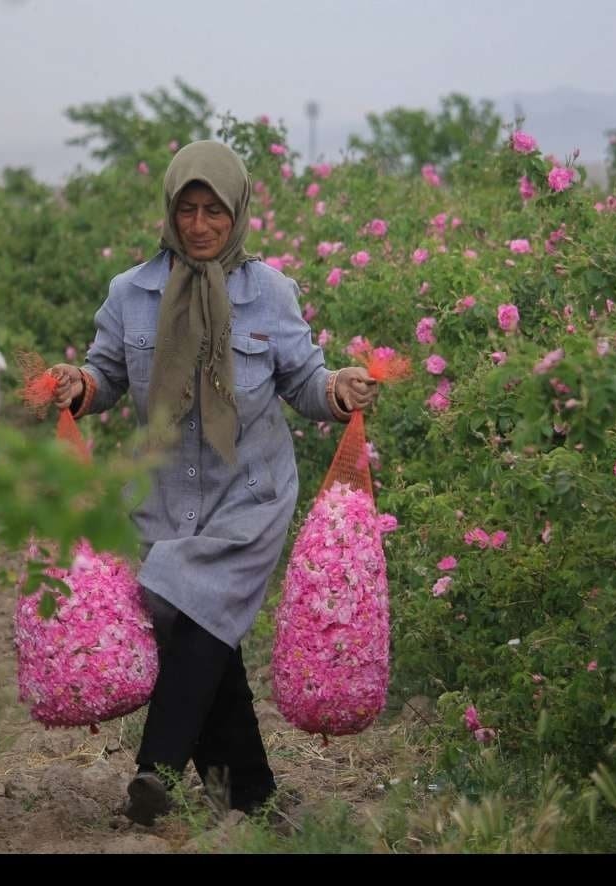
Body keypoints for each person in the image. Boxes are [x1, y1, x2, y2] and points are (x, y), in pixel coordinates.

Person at [48, 140, 379, 825]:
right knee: (204, 630)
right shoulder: (130, 293)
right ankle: (253, 794)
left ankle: (155, 771)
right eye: (187, 210)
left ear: (238, 214)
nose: (200, 226)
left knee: (196, 615)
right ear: (170, 211)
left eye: (214, 212)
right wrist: (79, 386)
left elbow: (302, 379)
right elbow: (106, 373)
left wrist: (338, 388)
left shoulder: (270, 292)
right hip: (166, 494)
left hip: (250, 493)